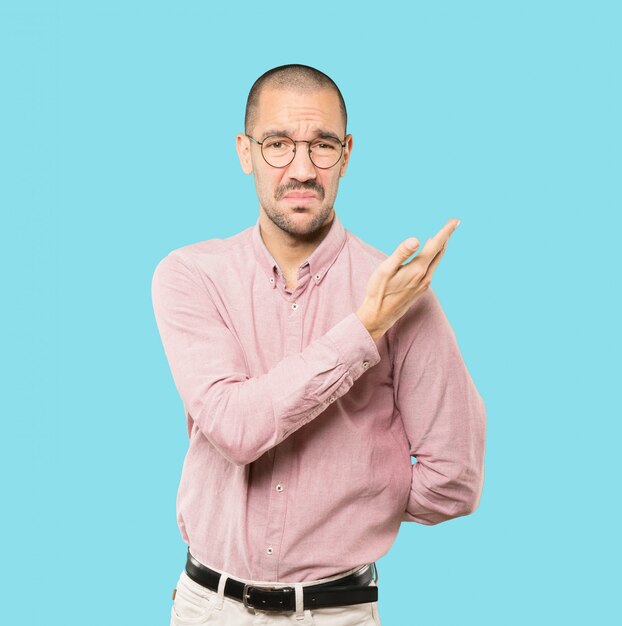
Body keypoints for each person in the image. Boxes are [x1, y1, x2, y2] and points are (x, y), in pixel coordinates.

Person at [151, 63, 486, 626]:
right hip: (208, 609)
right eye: (278, 144)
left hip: (338, 614)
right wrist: (364, 329)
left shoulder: (403, 294)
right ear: (245, 151)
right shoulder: (190, 276)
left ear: (347, 154)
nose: (301, 169)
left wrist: (353, 501)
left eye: (323, 145)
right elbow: (235, 428)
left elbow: (454, 479)